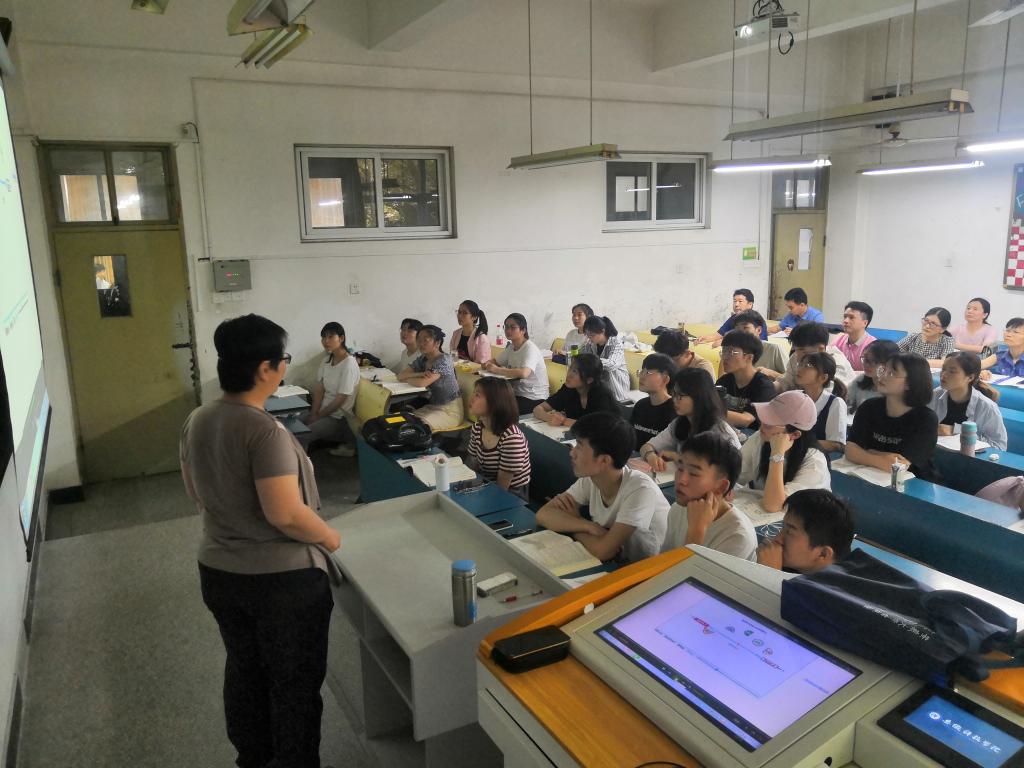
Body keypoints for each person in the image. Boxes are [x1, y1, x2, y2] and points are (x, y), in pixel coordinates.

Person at [180, 314, 340, 768]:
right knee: (293, 685)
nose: (285, 366)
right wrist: (329, 537)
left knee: (245, 670)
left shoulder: (199, 418)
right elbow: (285, 514)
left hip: (219, 572)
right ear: (265, 368)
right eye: (282, 359)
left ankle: (252, 758)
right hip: (280, 585)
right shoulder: (264, 431)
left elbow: (196, 494)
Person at [536, 412, 669, 563]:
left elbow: (603, 551)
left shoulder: (640, 490)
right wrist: (587, 526)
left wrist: (575, 522)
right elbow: (543, 514)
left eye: (579, 446)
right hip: (622, 563)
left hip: (657, 569)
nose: (572, 453)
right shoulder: (591, 479)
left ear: (604, 460)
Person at [660, 431, 756, 560]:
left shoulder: (737, 536)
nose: (681, 480)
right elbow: (663, 564)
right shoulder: (678, 509)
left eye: (693, 474)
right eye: (680, 469)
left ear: (721, 487)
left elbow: (688, 573)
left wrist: (697, 530)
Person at [846, 353, 939, 482]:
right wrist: (880, 458)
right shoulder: (868, 407)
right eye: (884, 370)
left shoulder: (926, 419)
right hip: (871, 475)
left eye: (892, 373)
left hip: (913, 483)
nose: (882, 376)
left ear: (910, 383)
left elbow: (900, 465)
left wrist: (867, 452)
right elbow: (850, 450)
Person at [738, 391, 831, 514]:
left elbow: (774, 505)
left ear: (795, 435)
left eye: (769, 425)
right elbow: (734, 472)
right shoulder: (762, 437)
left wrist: (777, 454)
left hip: (804, 520)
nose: (760, 428)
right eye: (762, 421)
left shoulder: (815, 462)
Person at [638, 368, 740, 471]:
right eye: (674, 394)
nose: (675, 400)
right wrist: (650, 455)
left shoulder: (721, 433)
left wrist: (681, 459)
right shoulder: (679, 423)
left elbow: (725, 470)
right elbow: (647, 446)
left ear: (699, 397)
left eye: (680, 396)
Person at [756, 490, 854, 573]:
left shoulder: (834, 589)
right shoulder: (796, 569)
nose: (776, 538)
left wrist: (770, 574)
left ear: (823, 554)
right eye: (782, 527)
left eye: (789, 532)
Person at [466, 377, 532, 498]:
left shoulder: (512, 438)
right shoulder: (477, 427)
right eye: (473, 393)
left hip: (511, 495)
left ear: (495, 403)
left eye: (477, 395)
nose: (471, 398)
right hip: (487, 485)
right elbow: (472, 467)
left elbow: (502, 489)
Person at [302, 321, 360, 458]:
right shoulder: (327, 360)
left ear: (341, 338)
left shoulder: (349, 364)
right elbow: (319, 390)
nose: (326, 341)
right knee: (291, 425)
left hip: (338, 418)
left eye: (330, 337)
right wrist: (314, 413)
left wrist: (318, 416)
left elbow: (340, 399)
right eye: (323, 337)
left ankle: (299, 468)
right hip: (322, 412)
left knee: (302, 434)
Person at [931, 352, 1007, 451]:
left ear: (970, 377)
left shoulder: (987, 407)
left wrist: (956, 430)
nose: (943, 374)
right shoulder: (935, 395)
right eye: (943, 369)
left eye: (952, 371)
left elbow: (999, 446)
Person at [397, 325, 465, 431]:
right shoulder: (423, 359)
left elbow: (422, 383)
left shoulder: (444, 360)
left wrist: (407, 379)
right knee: (402, 421)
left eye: (426, 340)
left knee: (414, 427)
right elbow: (400, 375)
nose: (421, 343)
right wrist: (419, 374)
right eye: (419, 340)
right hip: (433, 406)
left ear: (437, 343)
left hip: (450, 411)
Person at [482, 313, 550, 414]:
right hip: (518, 394)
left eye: (513, 327)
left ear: (523, 330)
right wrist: (487, 363)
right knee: (489, 402)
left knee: (499, 409)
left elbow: (524, 373)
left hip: (534, 397)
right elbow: (496, 361)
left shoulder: (530, 348)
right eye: (506, 327)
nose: (508, 330)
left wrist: (496, 369)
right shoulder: (511, 347)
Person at [533, 352, 618, 427]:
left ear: (589, 380)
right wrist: (548, 417)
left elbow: (596, 427)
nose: (569, 374)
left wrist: (563, 421)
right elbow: (538, 408)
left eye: (575, 372)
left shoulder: (602, 395)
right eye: (570, 368)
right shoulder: (568, 388)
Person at [715, 329, 776, 430]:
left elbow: (746, 420)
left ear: (749, 357)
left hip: (755, 435)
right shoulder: (723, 381)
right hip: (728, 431)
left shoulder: (763, 386)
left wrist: (708, 411)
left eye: (731, 352)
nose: (724, 357)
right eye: (724, 351)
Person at [775, 321, 855, 392]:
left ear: (820, 349)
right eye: (795, 349)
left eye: (802, 350)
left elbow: (830, 394)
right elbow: (785, 383)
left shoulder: (836, 363)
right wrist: (769, 388)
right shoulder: (797, 355)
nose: (797, 356)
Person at [795, 352, 848, 453]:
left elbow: (836, 444)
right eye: (800, 364)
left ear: (823, 378)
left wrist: (798, 443)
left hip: (819, 458)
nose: (799, 369)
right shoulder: (794, 397)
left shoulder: (835, 403)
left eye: (808, 365)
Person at [630, 353, 678, 451]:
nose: (641, 376)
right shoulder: (640, 405)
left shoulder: (675, 410)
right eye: (642, 371)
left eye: (648, 372)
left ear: (665, 379)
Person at [581, 315, 631, 402]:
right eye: (587, 335)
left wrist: (592, 360)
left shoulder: (616, 343)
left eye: (592, 335)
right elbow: (580, 354)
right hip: (600, 387)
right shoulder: (590, 344)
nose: (589, 338)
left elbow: (612, 364)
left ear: (602, 331)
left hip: (616, 386)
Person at [846, 339, 900, 414]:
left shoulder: (896, 391)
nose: (866, 364)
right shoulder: (861, 379)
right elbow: (846, 405)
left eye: (874, 361)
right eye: (865, 359)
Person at [698, 288, 767, 345]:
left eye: (740, 301)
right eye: (734, 301)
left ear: (750, 304)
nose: (736, 304)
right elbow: (719, 334)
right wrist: (705, 338)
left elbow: (756, 343)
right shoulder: (733, 318)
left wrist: (727, 341)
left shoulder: (757, 320)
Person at [732, 309, 787, 375]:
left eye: (745, 328)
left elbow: (792, 379)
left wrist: (772, 374)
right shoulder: (733, 352)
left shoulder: (774, 349)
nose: (740, 333)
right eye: (737, 329)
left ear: (758, 330)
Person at [833, 301, 876, 372]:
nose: (845, 321)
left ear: (865, 323)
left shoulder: (873, 346)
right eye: (845, 317)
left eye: (851, 317)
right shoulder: (839, 339)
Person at [450, 299, 491, 363]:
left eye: (465, 313)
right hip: (456, 368)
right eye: (459, 312)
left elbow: (481, 364)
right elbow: (453, 358)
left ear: (474, 317)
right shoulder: (456, 334)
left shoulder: (482, 339)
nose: (460, 316)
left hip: (476, 369)